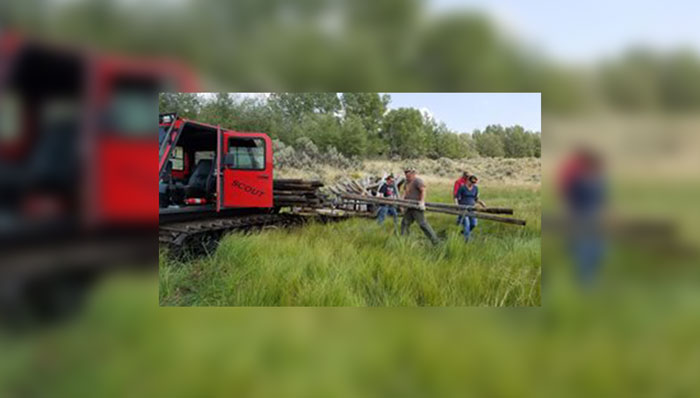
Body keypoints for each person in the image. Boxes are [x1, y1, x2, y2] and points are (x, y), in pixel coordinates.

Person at [400, 168, 439, 245]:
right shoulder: (407, 182)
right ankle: (403, 240)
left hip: (416, 207)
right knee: (405, 223)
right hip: (409, 206)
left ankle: (435, 241)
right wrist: (401, 203)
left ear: (413, 174)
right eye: (406, 174)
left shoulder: (417, 181)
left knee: (422, 224)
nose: (407, 175)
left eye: (409, 174)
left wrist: (422, 202)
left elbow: (423, 190)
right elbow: (404, 193)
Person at [456, 175, 486, 242]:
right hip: (464, 208)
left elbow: (476, 199)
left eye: (474, 183)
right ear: (468, 181)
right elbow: (457, 198)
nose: (472, 184)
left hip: (472, 209)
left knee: (474, 223)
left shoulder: (476, 188)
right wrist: (457, 206)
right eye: (471, 182)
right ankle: (467, 240)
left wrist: (481, 203)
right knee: (467, 224)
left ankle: (464, 233)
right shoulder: (462, 188)